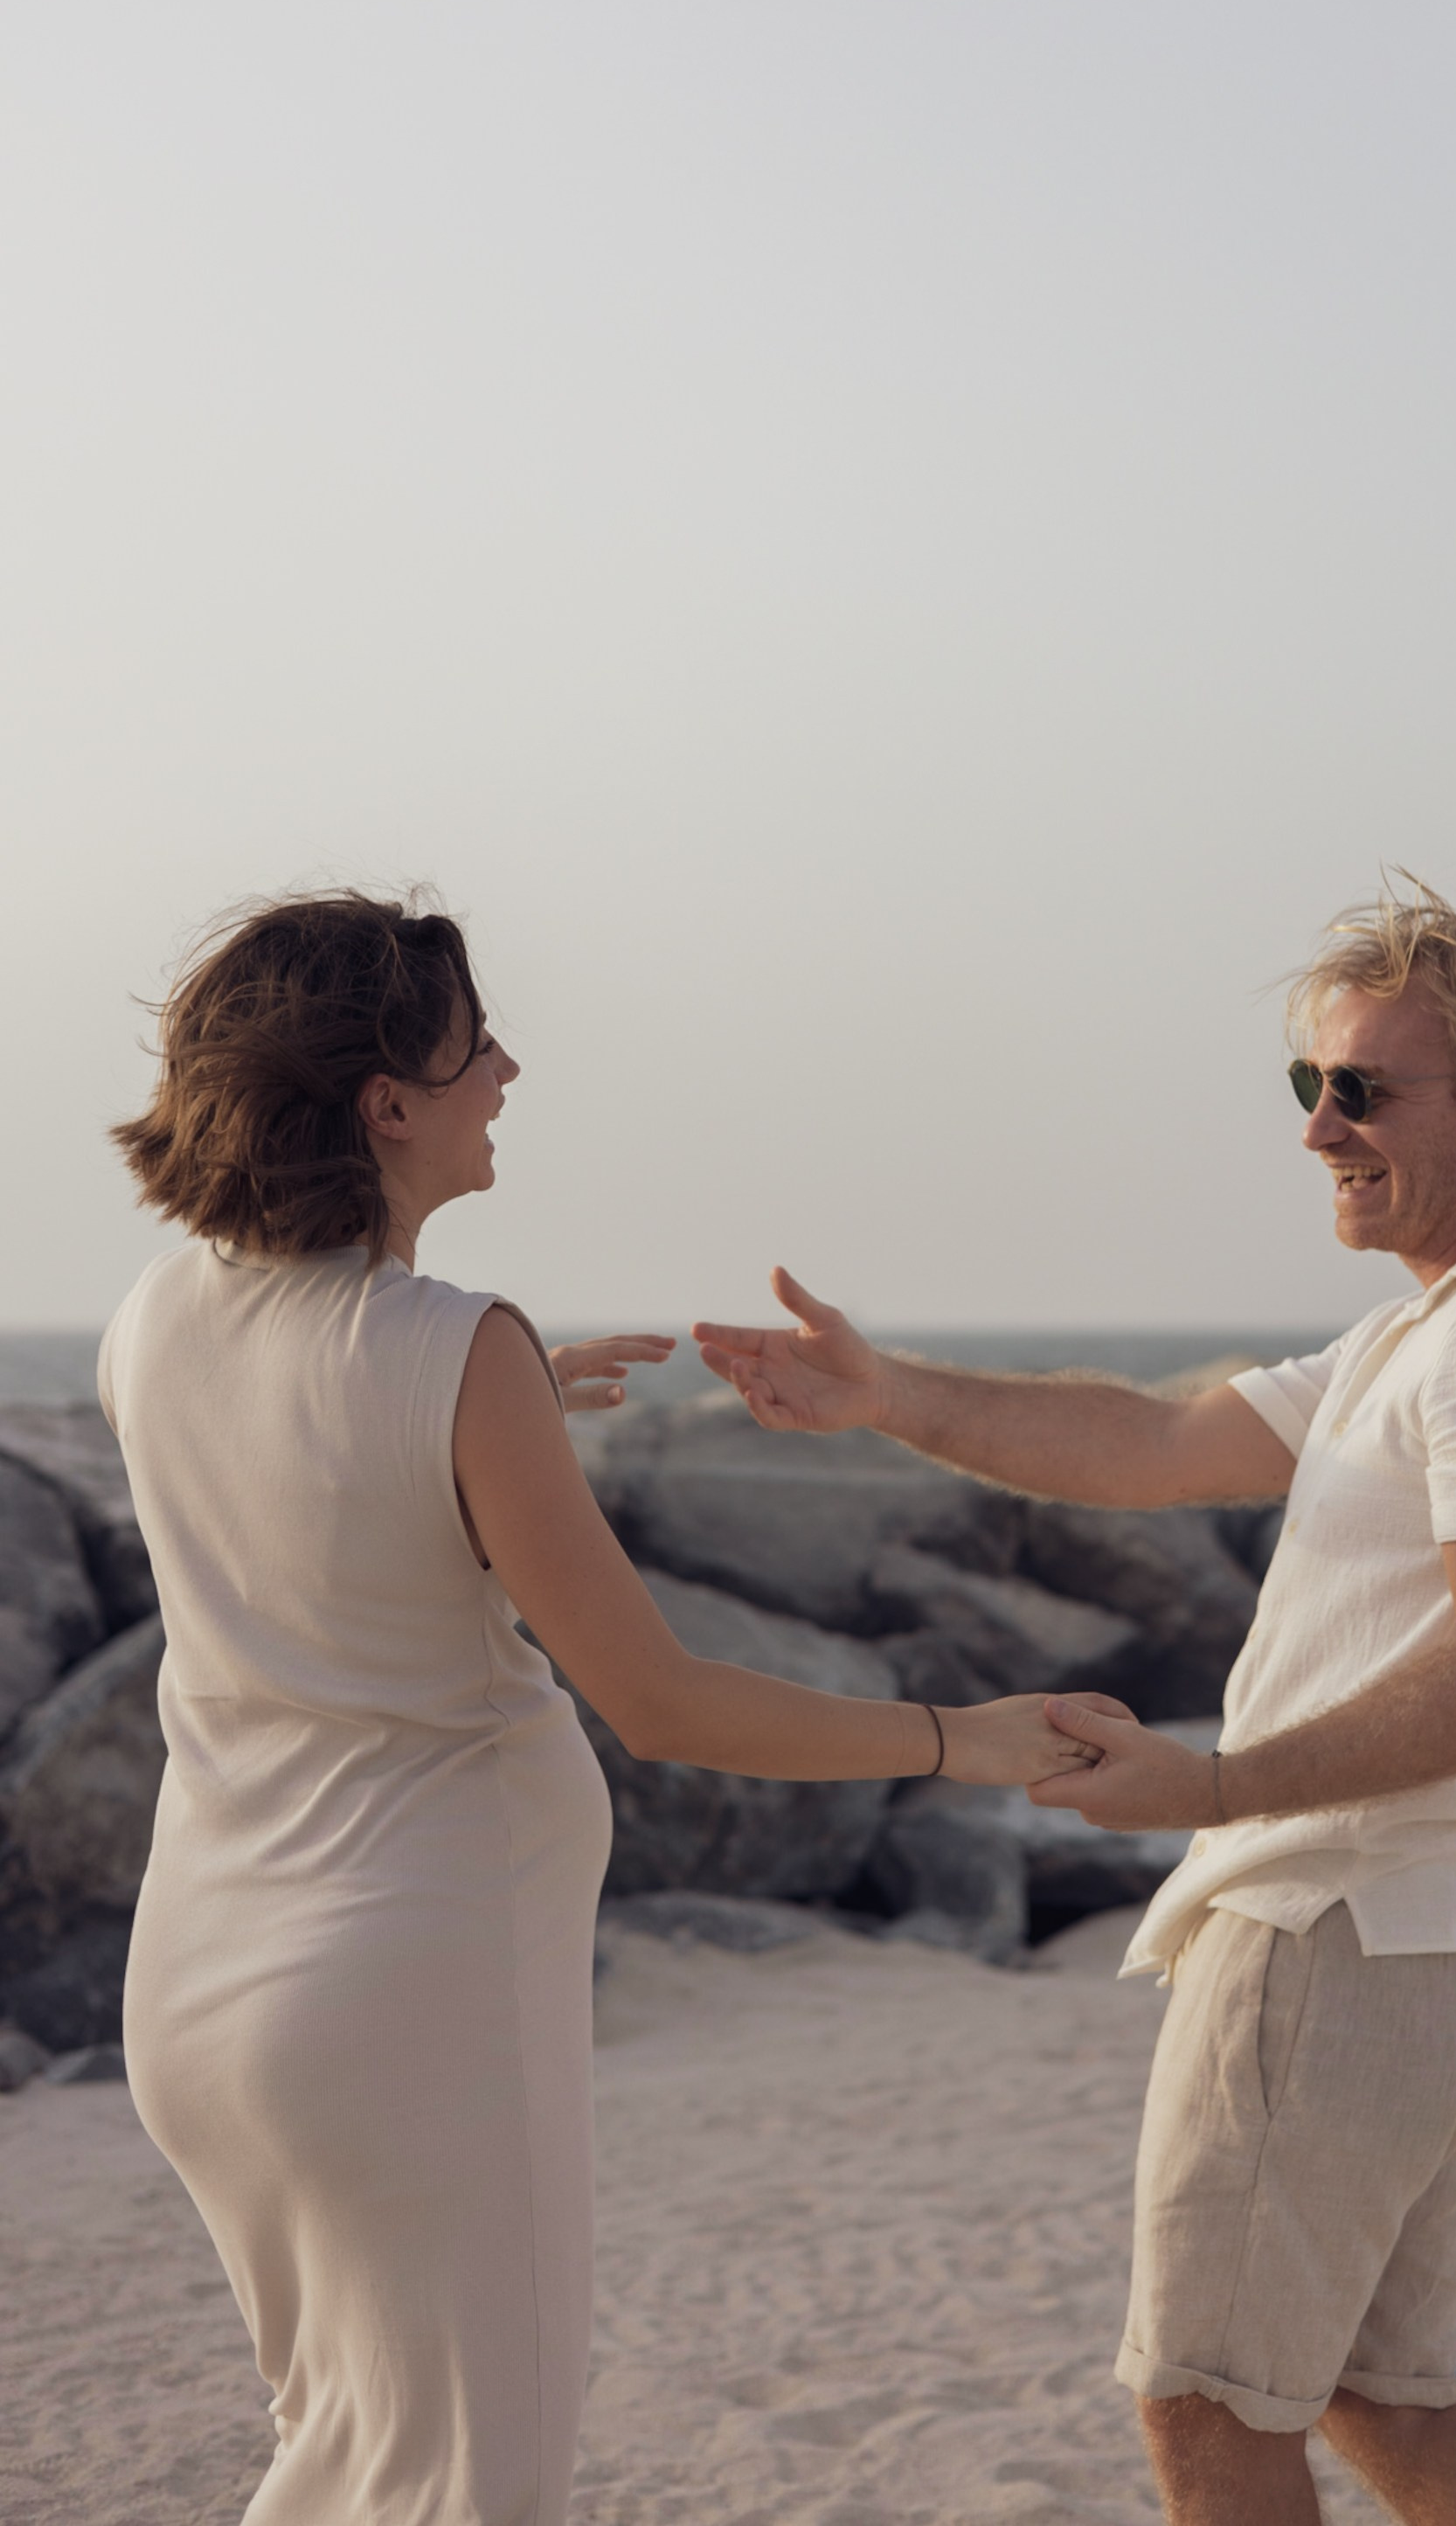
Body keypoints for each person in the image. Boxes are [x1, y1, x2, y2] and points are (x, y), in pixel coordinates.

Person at [103, 891, 1094, 2526]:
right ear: (385, 1105)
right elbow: (661, 1700)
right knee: (462, 2488)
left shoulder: (156, 1321)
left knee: (342, 2457)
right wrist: (957, 1738)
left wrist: (500, 1417)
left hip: (204, 1998)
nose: (508, 1065)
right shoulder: (449, 1346)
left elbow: (313, 1487)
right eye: (470, 1043)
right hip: (405, 2001)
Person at [694, 878, 1456, 2526]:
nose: (1318, 1129)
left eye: (1364, 1090)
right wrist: (887, 1395)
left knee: (1206, 2413)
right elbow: (1149, 1442)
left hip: (1339, 1938)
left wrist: (1206, 1793)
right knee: (1387, 2401)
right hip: (1440, 1935)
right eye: (1310, 1087)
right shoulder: (1431, 1334)